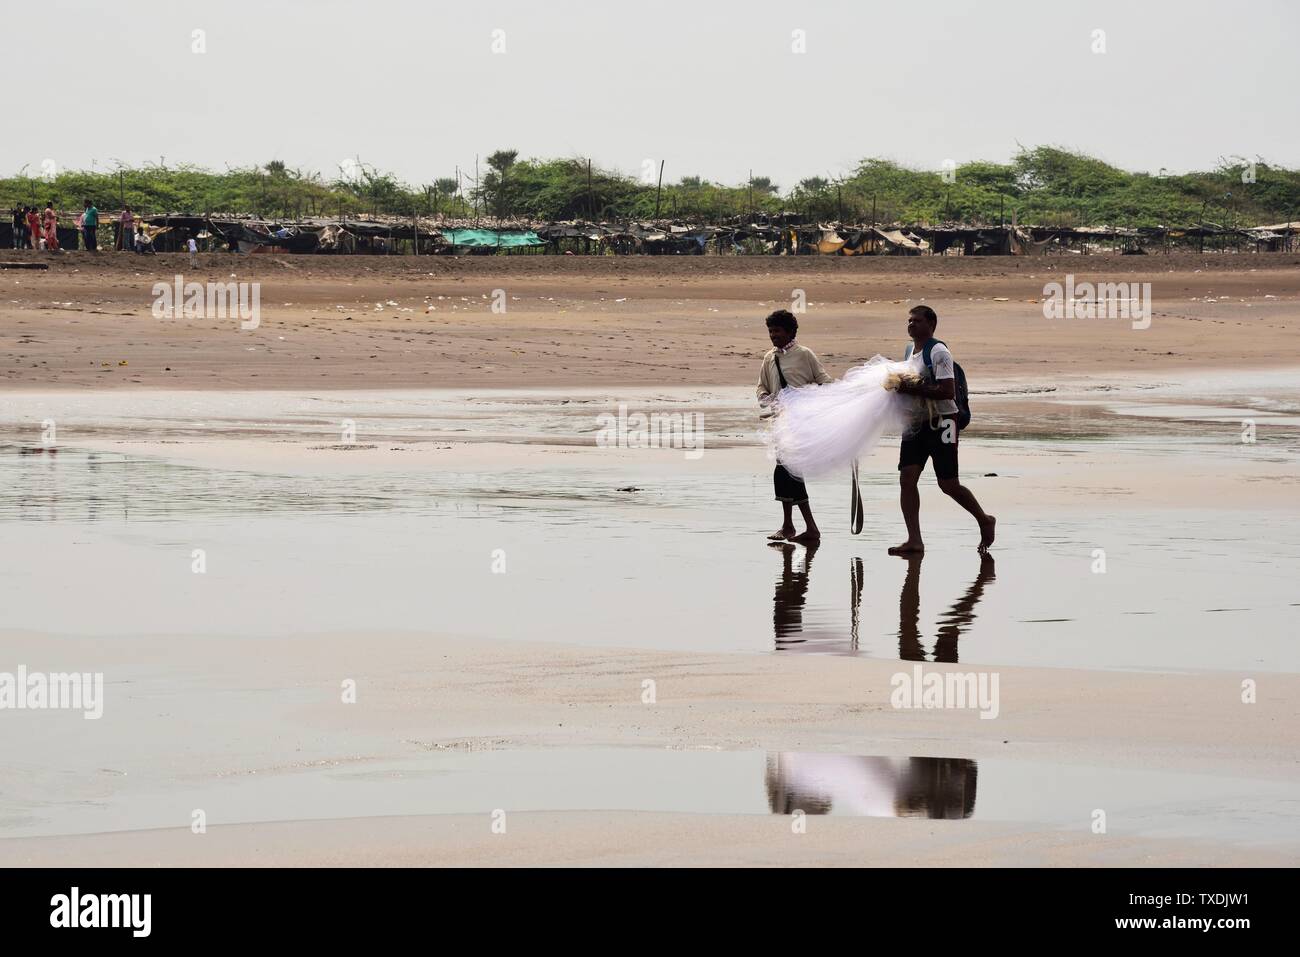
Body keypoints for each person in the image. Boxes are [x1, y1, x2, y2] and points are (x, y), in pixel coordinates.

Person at [888, 305, 995, 555]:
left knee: (948, 484)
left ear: (931, 325)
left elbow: (947, 391)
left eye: (917, 320)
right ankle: (914, 539)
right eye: (909, 320)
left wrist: (910, 389)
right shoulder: (909, 351)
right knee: (907, 479)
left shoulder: (939, 352)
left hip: (943, 422)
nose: (911, 324)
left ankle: (984, 519)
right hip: (916, 423)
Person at [757, 309, 832, 543]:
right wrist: (770, 401)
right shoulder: (769, 358)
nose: (773, 335)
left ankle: (807, 528)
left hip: (802, 426)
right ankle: (791, 526)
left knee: (790, 473)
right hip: (781, 425)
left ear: (790, 332)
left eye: (777, 331)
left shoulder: (804, 355)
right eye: (770, 331)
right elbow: (761, 388)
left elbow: (824, 382)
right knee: (783, 474)